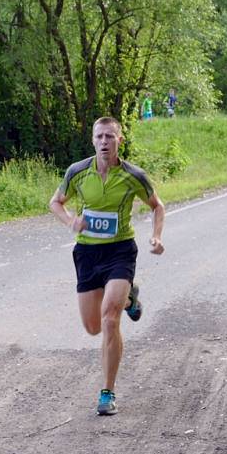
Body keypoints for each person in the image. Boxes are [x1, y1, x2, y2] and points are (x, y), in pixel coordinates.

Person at [49, 116, 165, 415]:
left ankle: (107, 392)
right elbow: (55, 202)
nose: (104, 142)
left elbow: (157, 206)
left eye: (110, 137)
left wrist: (155, 236)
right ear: (92, 140)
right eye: (99, 137)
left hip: (120, 252)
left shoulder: (133, 175)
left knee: (109, 319)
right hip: (87, 254)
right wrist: (70, 221)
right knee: (91, 327)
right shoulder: (77, 172)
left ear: (119, 141)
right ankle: (129, 297)